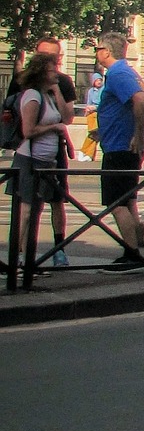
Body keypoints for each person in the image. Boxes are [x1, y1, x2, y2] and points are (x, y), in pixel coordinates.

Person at [8, 49, 75, 268]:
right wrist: (54, 127)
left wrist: (56, 91)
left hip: (47, 161)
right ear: (40, 72)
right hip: (30, 160)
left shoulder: (48, 95)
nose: (56, 72)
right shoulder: (33, 96)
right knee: (26, 212)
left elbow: (67, 118)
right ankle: (16, 259)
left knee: (36, 210)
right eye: (52, 69)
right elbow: (28, 130)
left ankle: (28, 263)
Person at [91, 35, 144, 268]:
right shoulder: (128, 72)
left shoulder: (117, 73)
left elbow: (141, 100)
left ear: (106, 51)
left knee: (117, 204)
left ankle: (132, 253)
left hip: (120, 147)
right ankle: (134, 251)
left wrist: (136, 132)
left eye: (97, 48)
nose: (96, 53)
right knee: (129, 201)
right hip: (121, 143)